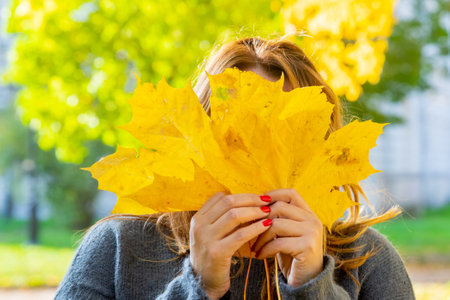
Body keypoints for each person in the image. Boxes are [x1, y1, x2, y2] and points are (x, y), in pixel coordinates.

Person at [54, 36, 415, 300]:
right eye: (236, 137)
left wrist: (313, 286)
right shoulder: (119, 248)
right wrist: (198, 287)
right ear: (196, 143)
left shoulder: (366, 261)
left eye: (281, 136)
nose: (255, 160)